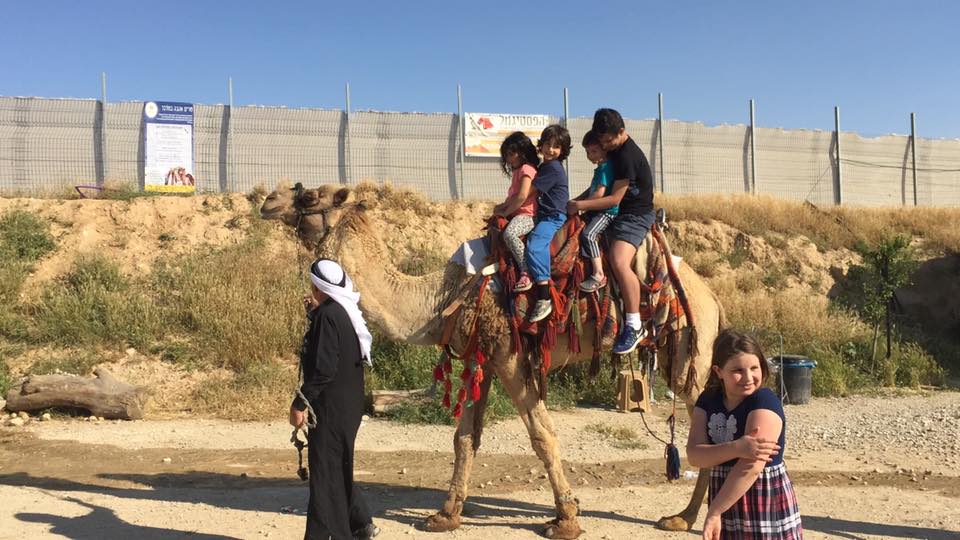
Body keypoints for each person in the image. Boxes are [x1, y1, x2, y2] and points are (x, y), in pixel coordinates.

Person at [290, 258, 380, 540]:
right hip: (347, 406)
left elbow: (324, 369)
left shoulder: (328, 316)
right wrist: (314, 315)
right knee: (336, 467)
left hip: (331, 409)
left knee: (325, 477)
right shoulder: (339, 311)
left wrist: (300, 403)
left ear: (318, 287)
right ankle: (360, 524)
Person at [686, 330, 803, 540]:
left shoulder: (765, 401)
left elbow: (751, 467)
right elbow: (695, 456)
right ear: (719, 371)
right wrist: (737, 447)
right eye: (738, 370)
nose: (748, 378)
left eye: (754, 368)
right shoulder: (708, 399)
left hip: (762, 496)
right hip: (725, 495)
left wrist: (715, 511)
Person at [567, 108, 655, 354]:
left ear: (621, 132)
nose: (604, 146)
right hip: (617, 211)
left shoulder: (627, 156)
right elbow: (599, 188)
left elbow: (614, 199)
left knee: (618, 260)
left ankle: (634, 324)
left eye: (608, 141)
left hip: (634, 215)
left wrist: (581, 205)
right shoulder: (613, 151)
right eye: (601, 142)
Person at [523, 124, 570, 322]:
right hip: (543, 213)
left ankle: (543, 295)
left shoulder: (553, 168)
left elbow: (528, 192)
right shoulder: (544, 167)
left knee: (535, 245)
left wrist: (508, 205)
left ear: (562, 150)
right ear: (541, 145)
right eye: (547, 145)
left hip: (553, 215)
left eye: (556, 146)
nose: (550, 150)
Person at [570, 130, 618, 293]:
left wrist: (581, 205)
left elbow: (599, 194)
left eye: (594, 151)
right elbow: (591, 189)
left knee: (588, 234)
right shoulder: (600, 168)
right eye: (588, 152)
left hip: (606, 212)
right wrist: (576, 200)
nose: (590, 155)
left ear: (604, 149)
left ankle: (599, 274)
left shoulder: (605, 169)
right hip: (596, 209)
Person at [493, 131, 541, 286]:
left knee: (510, 234)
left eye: (511, 154)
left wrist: (505, 212)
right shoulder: (517, 171)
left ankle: (526, 271)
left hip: (527, 215)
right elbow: (513, 197)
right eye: (506, 154)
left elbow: (522, 196)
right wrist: (501, 207)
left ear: (522, 153)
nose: (508, 158)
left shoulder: (527, 169)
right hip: (517, 214)